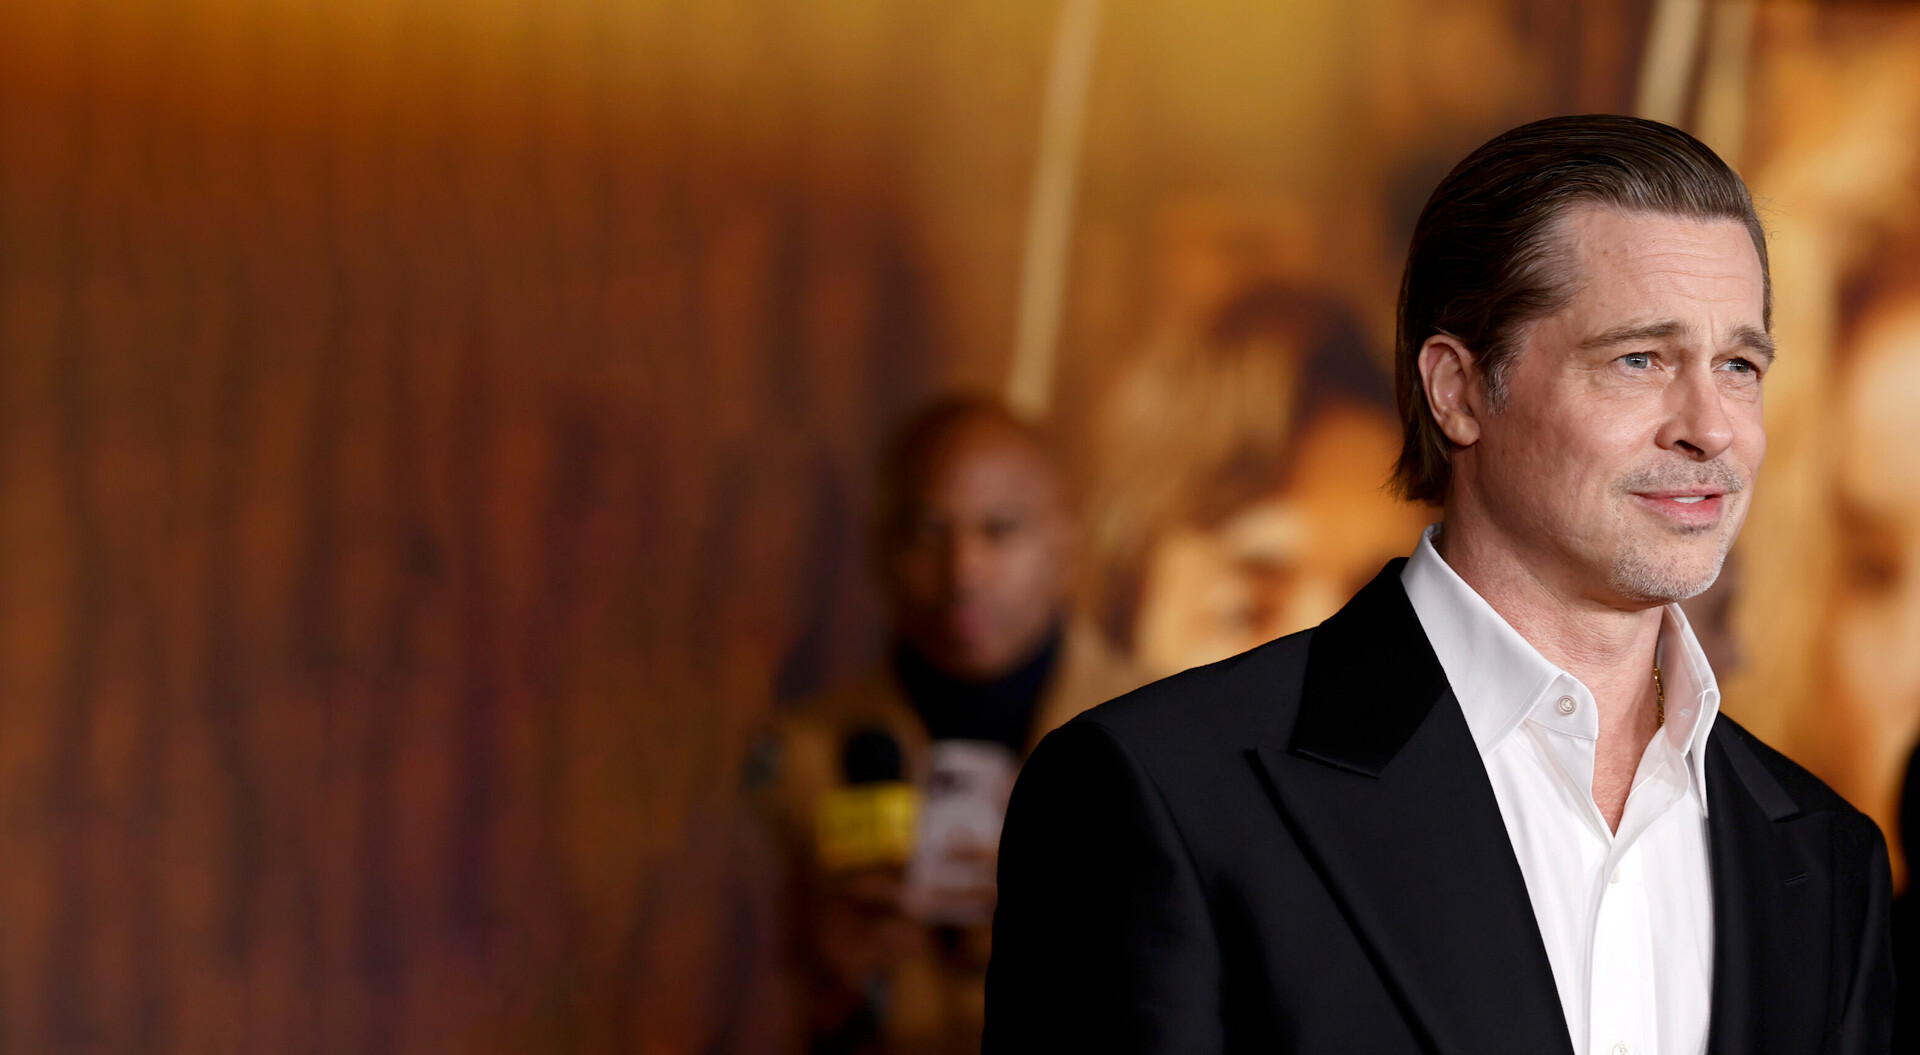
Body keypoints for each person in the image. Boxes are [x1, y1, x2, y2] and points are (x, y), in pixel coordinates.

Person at [985, 115, 1894, 1054]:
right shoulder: (1157, 794)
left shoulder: (1828, 857)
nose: (1711, 427)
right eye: (1639, 359)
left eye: (1739, 366)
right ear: (1458, 390)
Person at [754, 394, 1139, 1055]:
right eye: (929, 532)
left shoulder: (1170, 740)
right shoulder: (795, 761)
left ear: (1066, 543)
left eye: (1000, 531)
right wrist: (820, 982)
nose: (963, 571)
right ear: (882, 549)